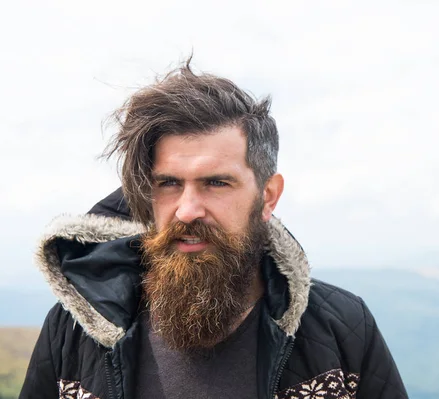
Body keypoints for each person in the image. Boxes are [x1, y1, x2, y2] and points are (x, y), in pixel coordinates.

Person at [20, 60, 408, 399]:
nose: (187, 211)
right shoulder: (73, 332)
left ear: (268, 197)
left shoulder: (342, 328)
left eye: (217, 183)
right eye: (168, 183)